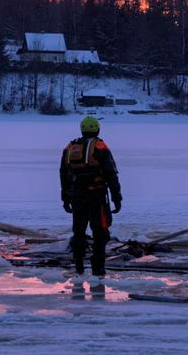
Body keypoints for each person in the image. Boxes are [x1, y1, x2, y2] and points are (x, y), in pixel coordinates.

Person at [60, 116, 122, 277]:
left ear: (82, 130)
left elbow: (63, 174)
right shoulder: (100, 146)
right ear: (97, 129)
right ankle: (98, 269)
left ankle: (79, 266)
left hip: (77, 196)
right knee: (100, 232)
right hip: (96, 196)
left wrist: (65, 198)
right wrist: (117, 197)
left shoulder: (70, 147)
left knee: (79, 232)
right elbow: (111, 174)